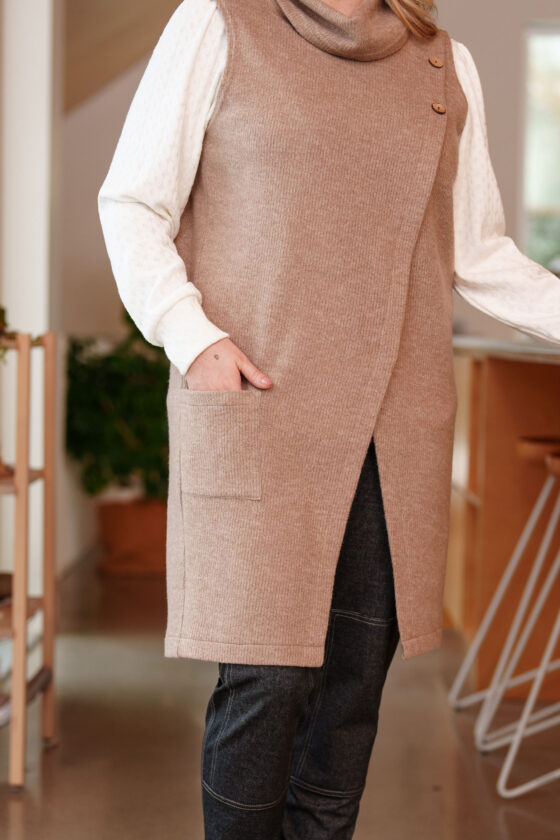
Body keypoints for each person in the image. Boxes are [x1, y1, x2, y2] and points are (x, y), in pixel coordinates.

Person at [98, 0, 560, 836]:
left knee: (353, 689)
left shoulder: (442, 64)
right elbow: (133, 202)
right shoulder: (220, 23)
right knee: (268, 680)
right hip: (261, 407)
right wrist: (192, 338)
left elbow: (479, 253)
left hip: (396, 426)